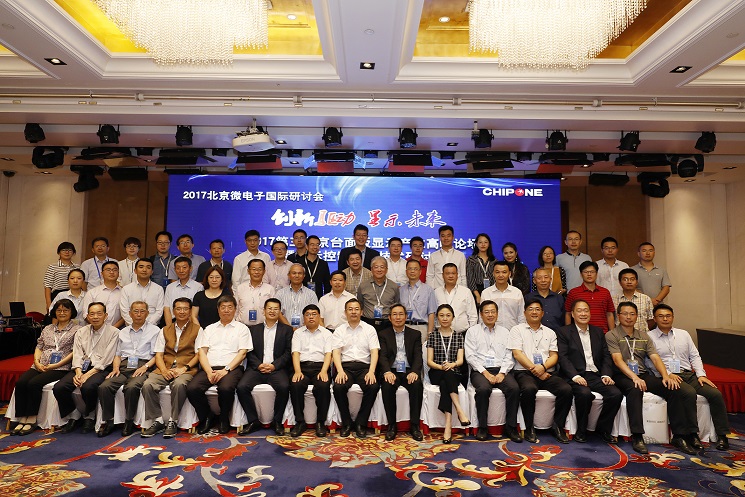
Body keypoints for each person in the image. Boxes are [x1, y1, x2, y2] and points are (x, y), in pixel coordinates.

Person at [606, 301, 698, 455]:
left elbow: (655, 358)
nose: (628, 317)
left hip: (643, 374)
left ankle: (679, 435)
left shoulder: (643, 335)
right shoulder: (612, 335)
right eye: (625, 314)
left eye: (632, 314)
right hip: (622, 375)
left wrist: (665, 376)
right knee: (635, 389)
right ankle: (637, 436)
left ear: (637, 316)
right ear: (618, 316)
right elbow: (617, 360)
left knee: (673, 388)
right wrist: (634, 378)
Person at [649, 304, 730, 450]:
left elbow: (694, 356)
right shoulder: (649, 337)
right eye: (661, 316)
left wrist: (701, 374)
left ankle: (722, 435)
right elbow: (649, 361)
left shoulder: (683, 334)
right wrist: (667, 374)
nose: (665, 319)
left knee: (715, 394)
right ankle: (693, 434)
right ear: (654, 319)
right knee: (688, 393)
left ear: (673, 317)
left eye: (668, 316)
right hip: (668, 376)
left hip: (688, 374)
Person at [557, 300, 623, 444]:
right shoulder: (564, 332)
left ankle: (603, 429)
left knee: (615, 394)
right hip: (574, 375)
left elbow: (606, 356)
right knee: (584, 394)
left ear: (590, 313)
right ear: (572, 314)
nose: (583, 314)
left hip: (595, 375)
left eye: (586, 310)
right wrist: (575, 376)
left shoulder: (598, 332)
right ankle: (581, 430)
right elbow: (563, 357)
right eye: (579, 310)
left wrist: (606, 374)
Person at [11, 299, 80, 436]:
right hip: (41, 364)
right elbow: (39, 346)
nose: (62, 313)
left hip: (61, 367)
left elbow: (75, 351)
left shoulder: (77, 330)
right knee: (21, 382)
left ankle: (32, 418)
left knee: (34, 383)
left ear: (71, 312)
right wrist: (36, 362)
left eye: (66, 310)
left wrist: (57, 364)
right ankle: (22, 417)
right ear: (54, 312)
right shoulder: (48, 328)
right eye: (59, 310)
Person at [509, 299, 573, 444]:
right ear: (525, 313)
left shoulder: (550, 332)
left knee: (566, 389)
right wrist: (535, 369)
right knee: (529, 389)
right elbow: (517, 354)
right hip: (524, 372)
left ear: (543, 313)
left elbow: (554, 355)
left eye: (537, 309)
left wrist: (542, 368)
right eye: (531, 309)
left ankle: (558, 426)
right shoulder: (517, 330)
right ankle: (529, 428)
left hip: (546, 371)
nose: (534, 312)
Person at [186, 295, 252, 434]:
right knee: (192, 388)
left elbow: (242, 353)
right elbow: (202, 352)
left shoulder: (242, 328)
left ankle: (223, 418)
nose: (226, 310)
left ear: (235, 309)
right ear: (218, 309)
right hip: (209, 367)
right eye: (223, 307)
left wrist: (226, 370)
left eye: (230, 307)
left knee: (226, 388)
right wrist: (208, 371)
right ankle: (207, 417)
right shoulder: (209, 329)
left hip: (232, 368)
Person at [53, 302, 119, 434]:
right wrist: (78, 372)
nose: (95, 317)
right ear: (87, 316)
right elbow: (77, 353)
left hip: (100, 368)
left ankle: (89, 416)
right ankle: (73, 415)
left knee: (89, 386)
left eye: (99, 314)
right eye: (92, 314)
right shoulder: (81, 331)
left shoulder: (113, 332)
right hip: (82, 367)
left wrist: (87, 375)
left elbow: (107, 358)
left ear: (105, 316)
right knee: (60, 387)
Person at [140, 297, 202, 438]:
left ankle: (173, 421)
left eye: (185, 309)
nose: (182, 312)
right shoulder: (165, 330)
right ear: (173, 311)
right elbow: (159, 354)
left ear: (190, 311)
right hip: (166, 367)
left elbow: (199, 354)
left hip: (186, 369)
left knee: (179, 385)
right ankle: (158, 420)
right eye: (178, 309)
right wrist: (164, 370)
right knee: (148, 385)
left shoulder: (198, 330)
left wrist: (184, 368)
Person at [96, 301, 160, 437]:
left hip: (143, 365)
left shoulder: (155, 331)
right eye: (135, 311)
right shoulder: (123, 332)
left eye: (142, 311)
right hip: (124, 366)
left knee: (132, 387)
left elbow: (157, 355)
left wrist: (145, 367)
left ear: (147, 313)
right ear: (130, 314)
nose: (139, 314)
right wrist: (115, 368)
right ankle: (109, 421)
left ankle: (129, 420)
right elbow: (117, 354)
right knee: (104, 386)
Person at [464, 300, 522, 443]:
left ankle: (511, 427)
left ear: (497, 313)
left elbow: (509, 355)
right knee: (483, 389)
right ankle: (482, 427)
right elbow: (470, 356)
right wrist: (485, 373)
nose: (490, 315)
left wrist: (502, 373)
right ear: (481, 314)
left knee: (514, 388)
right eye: (486, 312)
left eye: (493, 312)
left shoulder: (505, 332)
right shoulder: (472, 331)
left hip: (501, 369)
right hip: (480, 370)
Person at [236, 298, 293, 436]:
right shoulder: (253, 329)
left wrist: (274, 366)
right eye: (270, 308)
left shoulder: (287, 330)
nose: (272, 311)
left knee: (284, 387)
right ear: (264, 311)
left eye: (276, 309)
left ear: (280, 312)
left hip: (277, 369)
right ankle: (253, 420)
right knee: (242, 387)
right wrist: (258, 365)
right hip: (256, 368)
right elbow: (249, 351)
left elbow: (288, 353)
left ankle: (277, 421)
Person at [332, 299, 380, 438]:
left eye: (356, 309)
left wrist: (371, 372)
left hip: (364, 367)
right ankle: (346, 423)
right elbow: (336, 353)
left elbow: (374, 352)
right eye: (350, 309)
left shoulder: (369, 329)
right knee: (338, 386)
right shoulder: (340, 330)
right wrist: (340, 371)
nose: (353, 312)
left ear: (361, 312)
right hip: (345, 367)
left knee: (373, 386)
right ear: (345, 312)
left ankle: (361, 423)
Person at [378, 303, 424, 441]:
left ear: (406, 316)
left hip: (409, 370)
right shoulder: (383, 334)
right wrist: (386, 371)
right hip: (391, 370)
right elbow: (382, 356)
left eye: (401, 314)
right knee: (387, 386)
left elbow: (418, 356)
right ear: (390, 318)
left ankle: (414, 426)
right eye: (394, 314)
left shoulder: (415, 334)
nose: (398, 317)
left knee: (416, 385)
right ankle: (392, 426)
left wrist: (415, 372)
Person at [426, 304, 470, 443]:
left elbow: (460, 360)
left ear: (453, 318)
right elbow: (429, 361)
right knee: (447, 374)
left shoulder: (458, 336)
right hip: (436, 371)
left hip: (454, 371)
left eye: (448, 315)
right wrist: (441, 367)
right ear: (437, 318)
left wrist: (452, 364)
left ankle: (448, 426)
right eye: (441, 315)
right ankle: (459, 410)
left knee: (446, 382)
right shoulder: (433, 335)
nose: (445, 318)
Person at [289, 304, 334, 438]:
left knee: (323, 386)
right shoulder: (298, 333)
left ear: (319, 316)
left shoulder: (327, 333)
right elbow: (295, 353)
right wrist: (297, 371)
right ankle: (300, 422)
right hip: (302, 367)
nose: (311, 317)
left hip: (320, 367)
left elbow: (328, 354)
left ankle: (320, 422)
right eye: (308, 315)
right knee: (296, 385)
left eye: (314, 314)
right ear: (303, 318)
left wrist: (324, 371)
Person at [564, 261, 615, 334]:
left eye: (592, 272)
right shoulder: (573, 293)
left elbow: (609, 314)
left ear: (596, 274)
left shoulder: (605, 292)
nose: (589, 274)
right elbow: (568, 314)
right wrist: (568, 333)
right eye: (585, 272)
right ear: (581, 274)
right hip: (579, 333)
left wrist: (612, 334)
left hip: (602, 333)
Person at [357, 256, 400, 331]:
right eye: (376, 267)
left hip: (387, 324)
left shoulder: (394, 286)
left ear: (386, 270)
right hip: (367, 323)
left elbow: (396, 304)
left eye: (382, 267)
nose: (379, 270)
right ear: (371, 269)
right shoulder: (363, 286)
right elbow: (360, 304)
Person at [399, 259, 437, 344]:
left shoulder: (428, 290)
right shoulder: (401, 290)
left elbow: (431, 313)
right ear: (406, 271)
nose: (412, 271)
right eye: (410, 269)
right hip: (404, 327)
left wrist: (430, 332)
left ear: (420, 272)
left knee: (421, 352)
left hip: (421, 327)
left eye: (415, 269)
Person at [119, 258, 165, 327]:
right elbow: (124, 311)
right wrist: (135, 325)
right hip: (131, 327)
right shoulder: (126, 289)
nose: (144, 270)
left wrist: (147, 325)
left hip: (152, 328)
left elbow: (159, 311)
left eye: (148, 267)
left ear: (152, 272)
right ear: (135, 271)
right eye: (141, 267)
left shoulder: (159, 289)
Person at [481, 261, 526, 330]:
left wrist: (520, 332)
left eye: (504, 272)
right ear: (493, 274)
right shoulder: (486, 293)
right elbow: (482, 317)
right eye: (497, 272)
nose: (500, 275)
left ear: (509, 274)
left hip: (513, 332)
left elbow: (522, 316)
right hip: (492, 332)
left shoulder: (517, 292)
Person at [434, 263, 477, 333]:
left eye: (453, 273)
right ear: (442, 275)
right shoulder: (436, 292)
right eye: (447, 273)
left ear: (457, 275)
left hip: (462, 333)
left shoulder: (466, 292)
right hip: (440, 334)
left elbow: (473, 315)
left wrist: (471, 333)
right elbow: (433, 315)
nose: (450, 276)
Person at [82, 260, 124, 328]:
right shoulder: (92, 292)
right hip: (95, 330)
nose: (111, 272)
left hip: (118, 330)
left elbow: (126, 314)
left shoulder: (124, 292)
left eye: (115, 270)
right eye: (108, 270)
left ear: (118, 274)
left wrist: (112, 329)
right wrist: (100, 327)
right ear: (102, 273)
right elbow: (86, 314)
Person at [276, 263, 319, 329]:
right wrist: (290, 328)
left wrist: (302, 329)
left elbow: (314, 314)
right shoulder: (280, 293)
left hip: (306, 331)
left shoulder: (311, 294)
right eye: (294, 273)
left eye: (300, 273)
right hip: (285, 330)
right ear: (288, 275)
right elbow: (277, 312)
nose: (297, 275)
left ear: (304, 276)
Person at [163, 257, 204, 326]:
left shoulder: (198, 287)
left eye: (184, 267)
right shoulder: (170, 287)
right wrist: (169, 328)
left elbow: (197, 310)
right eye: (178, 268)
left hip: (191, 324)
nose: (181, 271)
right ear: (175, 270)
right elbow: (167, 309)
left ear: (190, 269)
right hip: (173, 323)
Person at [235, 259, 275, 326]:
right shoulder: (240, 288)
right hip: (242, 326)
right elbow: (235, 309)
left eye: (259, 269)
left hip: (262, 327)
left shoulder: (270, 289)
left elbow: (273, 310)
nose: (256, 272)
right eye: (253, 269)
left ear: (264, 271)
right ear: (248, 271)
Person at [613, 268, 654, 332]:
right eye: (625, 279)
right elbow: (612, 319)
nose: (629, 282)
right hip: (620, 336)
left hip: (642, 335)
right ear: (620, 282)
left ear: (637, 282)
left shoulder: (646, 299)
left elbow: (651, 320)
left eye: (632, 279)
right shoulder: (613, 299)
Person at [43, 241, 79, 310]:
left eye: (70, 250)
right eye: (64, 250)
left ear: (73, 253)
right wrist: (48, 303)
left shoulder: (77, 267)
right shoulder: (52, 266)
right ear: (59, 252)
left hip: (73, 295)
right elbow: (47, 286)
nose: (67, 252)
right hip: (57, 295)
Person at [466, 233, 496, 304]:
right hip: (477, 290)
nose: (483, 244)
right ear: (476, 244)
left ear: (489, 244)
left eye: (485, 242)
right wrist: (477, 295)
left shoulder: (494, 260)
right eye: (480, 242)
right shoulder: (471, 260)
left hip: (491, 291)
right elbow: (470, 279)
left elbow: (495, 278)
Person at [300, 235, 331, 299]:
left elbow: (327, 284)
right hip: (301, 297)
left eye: (317, 245)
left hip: (318, 298)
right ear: (306, 246)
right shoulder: (299, 262)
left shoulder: (323, 264)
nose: (315, 247)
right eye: (312, 244)